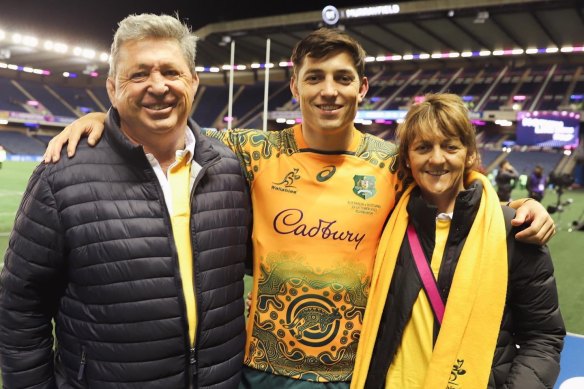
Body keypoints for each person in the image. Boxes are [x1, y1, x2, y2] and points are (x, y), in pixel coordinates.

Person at [42, 28, 556, 388]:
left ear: (362, 89)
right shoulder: (249, 151)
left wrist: (523, 206)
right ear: (295, 87)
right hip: (263, 367)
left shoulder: (394, 164)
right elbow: (167, 128)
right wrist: (100, 119)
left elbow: (454, 185)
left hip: (357, 369)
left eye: (342, 78)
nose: (328, 91)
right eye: (314, 78)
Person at [0, 13, 251, 388]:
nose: (158, 85)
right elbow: (20, 308)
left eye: (171, 72)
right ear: (112, 88)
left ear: (194, 82)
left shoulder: (228, 169)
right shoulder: (62, 177)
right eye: (138, 75)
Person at [351, 94, 565, 389]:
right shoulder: (385, 222)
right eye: (423, 147)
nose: (437, 159)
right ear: (407, 158)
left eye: (450, 146)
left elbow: (542, 338)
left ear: (469, 154)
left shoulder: (513, 230)